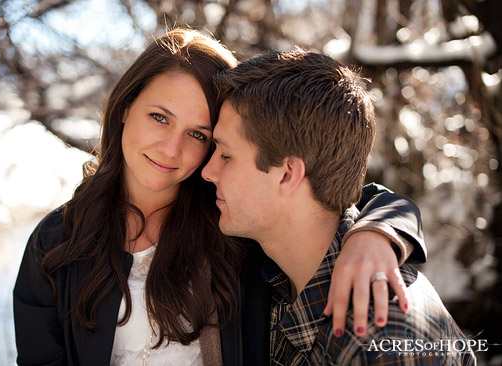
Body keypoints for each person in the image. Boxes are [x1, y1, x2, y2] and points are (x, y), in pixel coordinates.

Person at [13, 29, 425, 366]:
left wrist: (379, 232)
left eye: (198, 135)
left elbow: (337, 196)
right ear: (125, 106)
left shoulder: (234, 220)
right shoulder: (57, 242)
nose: (170, 150)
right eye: (159, 117)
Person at [202, 49, 476, 365]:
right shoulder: (276, 283)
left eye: (226, 156)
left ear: (288, 174)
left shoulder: (389, 341)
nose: (207, 171)